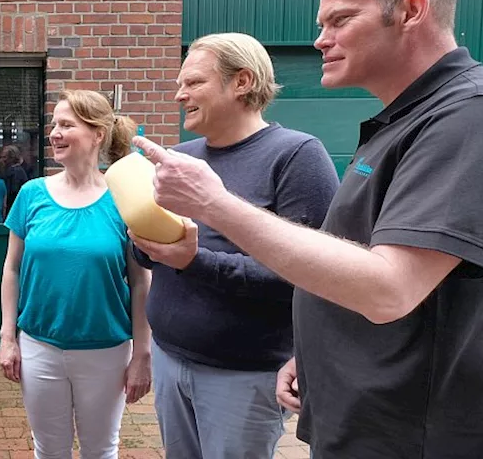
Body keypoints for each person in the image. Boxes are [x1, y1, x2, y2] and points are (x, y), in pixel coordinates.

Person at [135, 0, 483, 458]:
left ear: (411, 10)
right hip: (370, 422)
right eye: (321, 25)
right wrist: (313, 354)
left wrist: (214, 204)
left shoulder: (478, 114)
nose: (319, 41)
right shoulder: (401, 122)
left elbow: (390, 289)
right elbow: (350, 264)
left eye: (339, 20)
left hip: (427, 436)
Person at [130, 32, 338, 458]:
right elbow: (154, 257)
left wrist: (195, 261)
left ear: (241, 81)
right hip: (171, 357)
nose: (179, 94)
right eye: (179, 85)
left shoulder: (296, 156)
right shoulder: (181, 158)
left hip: (243, 374)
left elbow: (311, 276)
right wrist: (138, 233)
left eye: (193, 83)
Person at [0, 90, 154, 459]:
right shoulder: (31, 193)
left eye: (67, 125)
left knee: (101, 450)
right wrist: (8, 336)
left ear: (98, 133)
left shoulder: (125, 200)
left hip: (107, 350)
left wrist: (142, 354)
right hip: (39, 345)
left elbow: (141, 281)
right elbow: (11, 268)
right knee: (48, 449)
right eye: (54, 124)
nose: (54, 132)